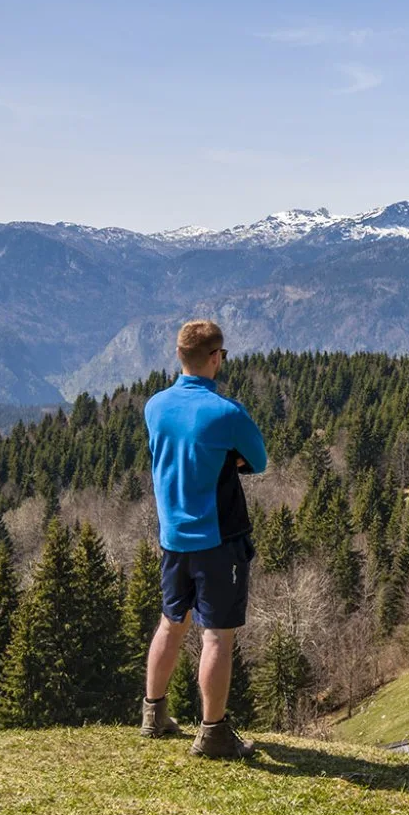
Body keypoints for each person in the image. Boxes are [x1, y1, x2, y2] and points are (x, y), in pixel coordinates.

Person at [139, 320, 267, 759]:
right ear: (215, 358)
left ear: (180, 357)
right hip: (217, 540)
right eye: (223, 355)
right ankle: (212, 733)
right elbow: (260, 459)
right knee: (216, 639)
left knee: (170, 623)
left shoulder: (154, 406)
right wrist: (228, 460)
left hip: (173, 538)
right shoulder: (226, 413)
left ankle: (153, 715)